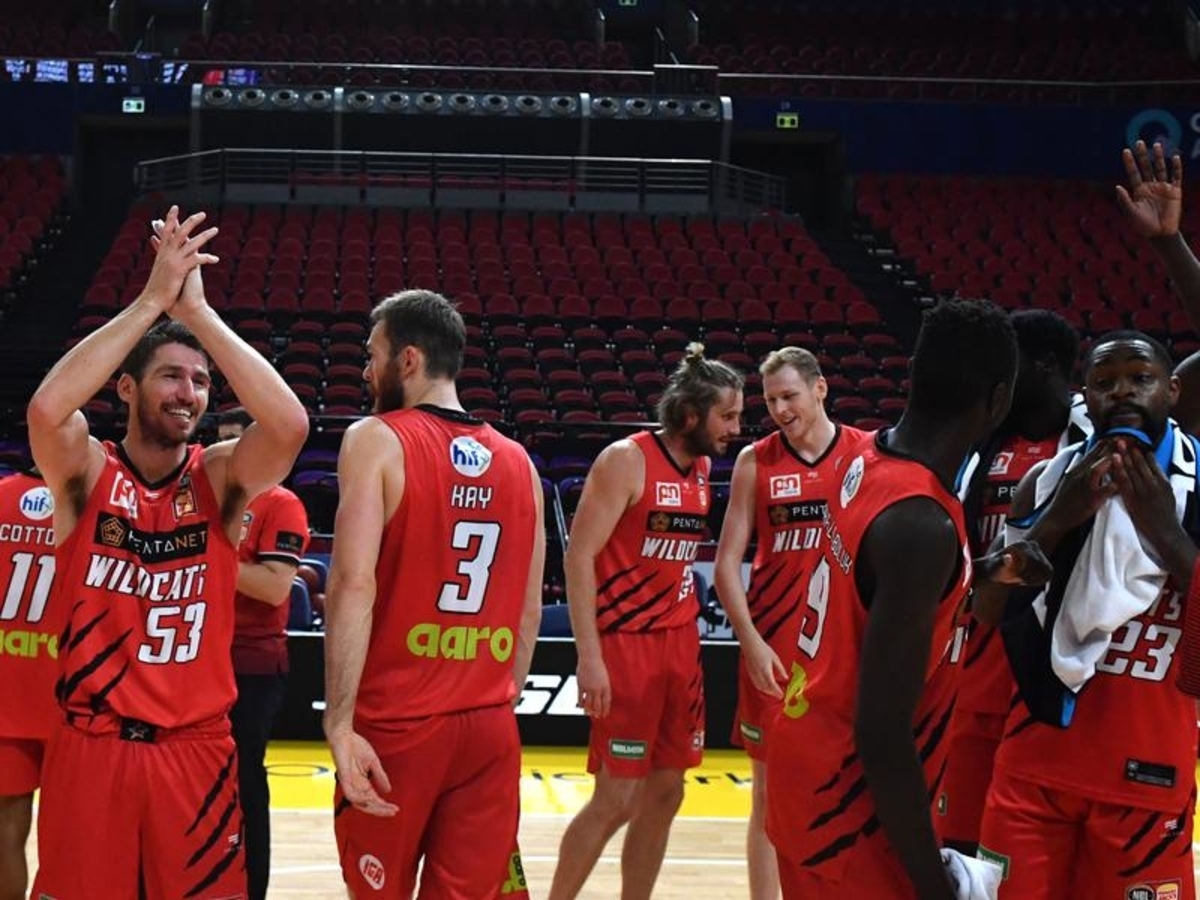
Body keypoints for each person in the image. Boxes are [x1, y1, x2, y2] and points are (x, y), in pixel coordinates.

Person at [25, 206, 309, 899]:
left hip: (195, 751)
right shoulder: (88, 472)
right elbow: (47, 410)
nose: (188, 394)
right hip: (93, 746)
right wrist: (152, 301)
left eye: (200, 381)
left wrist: (199, 316)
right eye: (171, 377)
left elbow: (289, 424)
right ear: (126, 387)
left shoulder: (219, 478)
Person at [765, 299, 1022, 899]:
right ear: (998, 401)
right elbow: (881, 732)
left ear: (913, 372)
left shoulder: (863, 454)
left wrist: (978, 574)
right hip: (850, 808)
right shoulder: (922, 523)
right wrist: (934, 884)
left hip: (806, 758)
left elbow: (872, 591)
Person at [323, 289, 545, 899]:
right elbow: (528, 610)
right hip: (489, 727)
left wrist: (339, 722)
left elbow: (352, 583)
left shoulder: (375, 438)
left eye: (373, 356)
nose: (366, 371)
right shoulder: (521, 463)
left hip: (398, 724)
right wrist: (495, 697)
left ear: (410, 359)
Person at [973, 330, 1198, 899]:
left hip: (1147, 771)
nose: (1122, 392)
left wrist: (1167, 533)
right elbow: (988, 607)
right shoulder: (1046, 481)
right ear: (1086, 396)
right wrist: (1055, 520)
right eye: (1104, 382)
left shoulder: (1196, 485)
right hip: (1033, 765)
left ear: (1172, 391)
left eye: (1140, 379)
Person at [547, 344, 744, 900]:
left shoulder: (703, 467)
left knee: (667, 793)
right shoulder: (625, 460)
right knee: (617, 798)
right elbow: (579, 557)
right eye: (727, 416)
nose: (736, 429)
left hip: (680, 645)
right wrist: (589, 658)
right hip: (625, 645)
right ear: (690, 415)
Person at [713, 347, 866, 900]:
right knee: (767, 795)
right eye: (771, 400)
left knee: (849, 788)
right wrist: (750, 643)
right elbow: (726, 564)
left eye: (789, 396)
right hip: (775, 653)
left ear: (820, 388)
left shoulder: (865, 454)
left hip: (844, 651)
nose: (779, 409)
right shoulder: (756, 461)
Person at [939, 309, 1089, 854]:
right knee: (959, 843)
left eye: (1009, 363)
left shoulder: (1092, 439)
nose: (996, 376)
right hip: (977, 664)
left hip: (1055, 668)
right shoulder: (981, 442)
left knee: (1035, 848)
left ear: (1044, 365)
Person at [216, 406, 311, 900]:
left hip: (251, 666)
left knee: (244, 780)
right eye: (223, 442)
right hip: (199, 659)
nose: (232, 453)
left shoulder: (281, 503)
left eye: (240, 441)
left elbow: (275, 588)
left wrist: (204, 552)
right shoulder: (206, 497)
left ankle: (252, 888)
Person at [0, 466, 60, 900]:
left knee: (6, 826)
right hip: (73, 699)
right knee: (71, 833)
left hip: (7, 691)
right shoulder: (96, 500)